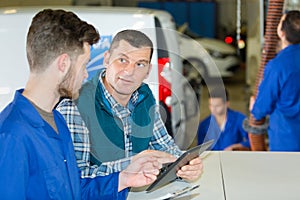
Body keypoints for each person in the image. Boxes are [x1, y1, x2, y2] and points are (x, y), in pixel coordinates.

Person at [0, 9, 175, 199]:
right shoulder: (12, 136)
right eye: (84, 65)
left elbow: (76, 191)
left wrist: (124, 178)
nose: (85, 75)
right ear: (64, 64)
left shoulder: (56, 121)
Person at [57, 29, 203, 181]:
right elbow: (75, 176)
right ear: (106, 59)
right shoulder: (75, 107)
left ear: (148, 71)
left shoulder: (145, 97)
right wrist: (131, 166)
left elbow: (165, 147)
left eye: (140, 64)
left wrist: (185, 165)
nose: (129, 71)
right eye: (122, 60)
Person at [250, 10, 300, 151]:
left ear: (281, 33)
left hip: (287, 141)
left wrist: (254, 107)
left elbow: (262, 107)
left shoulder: (277, 66)